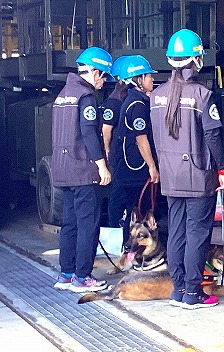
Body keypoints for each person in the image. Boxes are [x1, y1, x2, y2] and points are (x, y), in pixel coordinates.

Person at [150, 29, 224, 309]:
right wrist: (222, 169)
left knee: (176, 231)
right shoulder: (202, 95)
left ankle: (179, 290)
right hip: (198, 175)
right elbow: (212, 137)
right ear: (196, 59)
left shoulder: (157, 95)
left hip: (171, 176)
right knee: (197, 232)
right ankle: (193, 293)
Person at [52, 46, 112, 292]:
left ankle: (66, 274)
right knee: (88, 223)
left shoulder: (63, 94)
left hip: (63, 169)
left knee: (70, 223)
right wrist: (102, 166)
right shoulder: (85, 96)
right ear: (95, 71)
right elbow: (88, 133)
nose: (104, 81)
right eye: (104, 75)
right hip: (82, 170)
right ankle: (83, 277)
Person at [108, 55, 159, 248]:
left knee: (134, 212)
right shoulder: (137, 105)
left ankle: (130, 253)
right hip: (135, 170)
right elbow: (141, 138)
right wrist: (152, 167)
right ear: (138, 80)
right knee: (136, 212)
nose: (152, 79)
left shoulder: (133, 101)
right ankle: (130, 253)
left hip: (130, 169)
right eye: (148, 76)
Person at [101, 56, 129, 230]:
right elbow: (106, 131)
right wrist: (108, 154)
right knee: (117, 197)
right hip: (117, 158)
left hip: (127, 157)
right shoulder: (114, 102)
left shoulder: (125, 98)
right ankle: (113, 230)